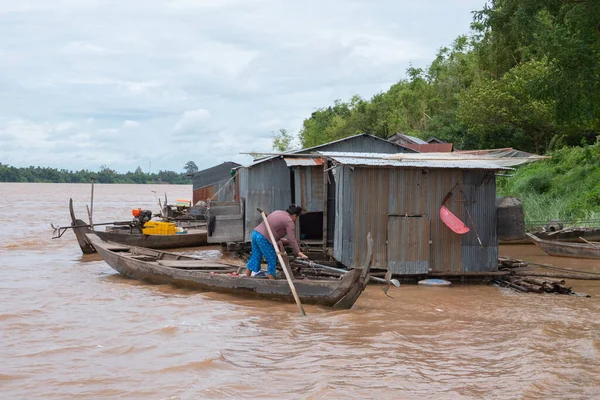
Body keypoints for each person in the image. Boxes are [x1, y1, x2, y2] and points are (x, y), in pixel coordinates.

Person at [245, 204, 308, 280]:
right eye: (297, 217)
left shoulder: (277, 212)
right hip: (263, 238)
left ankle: (246, 277)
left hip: (255, 234)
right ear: (294, 215)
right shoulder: (289, 221)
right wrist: (298, 252)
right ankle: (272, 282)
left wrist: (282, 241)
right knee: (271, 259)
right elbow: (291, 238)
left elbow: (274, 229)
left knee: (255, 256)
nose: (296, 219)